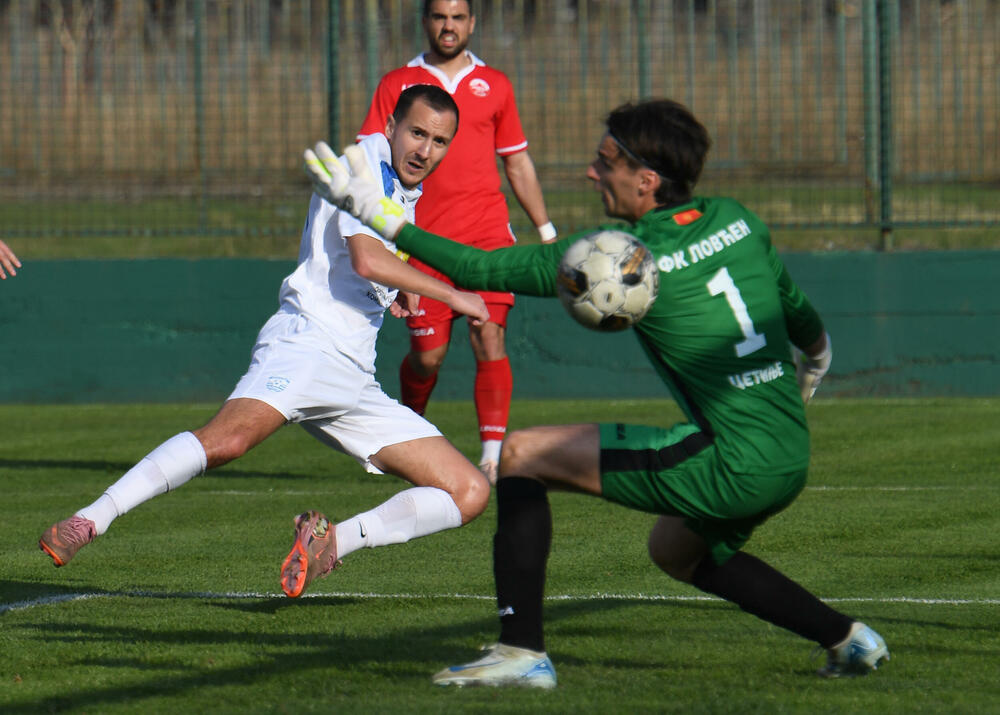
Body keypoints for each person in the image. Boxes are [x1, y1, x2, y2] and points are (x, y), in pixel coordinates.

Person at [304, 98, 890, 685]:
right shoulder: (738, 219)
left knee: (521, 455)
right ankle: (848, 638)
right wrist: (814, 362)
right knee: (676, 551)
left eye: (605, 160)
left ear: (647, 179)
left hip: (730, 463)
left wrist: (375, 214)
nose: (592, 171)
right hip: (790, 451)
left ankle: (521, 652)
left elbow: (480, 269)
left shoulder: (620, 258)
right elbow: (801, 318)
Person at [39, 85, 493, 601]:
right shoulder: (363, 163)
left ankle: (331, 543)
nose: (425, 151)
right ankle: (89, 520)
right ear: (390, 126)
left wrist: (394, 293)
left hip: (353, 377)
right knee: (229, 439)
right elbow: (366, 257)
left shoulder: (401, 185)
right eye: (416, 133)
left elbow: (365, 266)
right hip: (307, 346)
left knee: (469, 491)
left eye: (439, 141)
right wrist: (450, 294)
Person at [357, 0, 556, 484]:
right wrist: (386, 233)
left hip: (487, 234)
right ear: (426, 21)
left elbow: (518, 163)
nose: (449, 25)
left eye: (458, 16)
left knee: (489, 334)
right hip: (421, 240)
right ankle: (412, 431)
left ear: (472, 23)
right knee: (428, 356)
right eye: (440, 16)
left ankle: (492, 457)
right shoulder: (396, 84)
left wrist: (547, 232)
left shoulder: (497, 85)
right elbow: (369, 157)